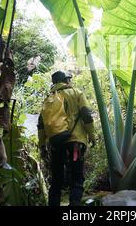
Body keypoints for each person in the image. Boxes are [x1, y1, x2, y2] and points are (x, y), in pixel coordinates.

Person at [37, 71, 96, 206]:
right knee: (77, 178)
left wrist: (42, 145)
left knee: (57, 179)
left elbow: (41, 125)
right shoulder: (76, 93)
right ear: (66, 81)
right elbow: (86, 115)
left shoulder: (48, 99)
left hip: (56, 142)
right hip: (76, 141)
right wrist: (92, 136)